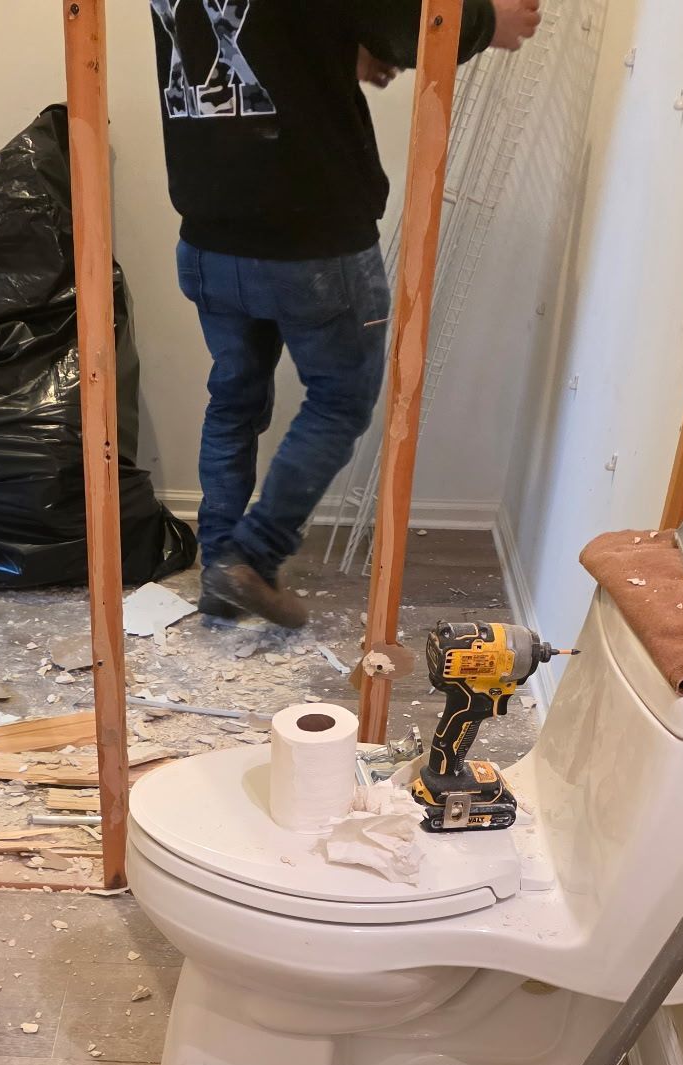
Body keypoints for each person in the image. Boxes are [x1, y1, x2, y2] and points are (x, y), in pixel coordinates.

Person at [150, 0, 542, 629]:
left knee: (233, 400)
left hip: (209, 237)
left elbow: (256, 36)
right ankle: (252, 557)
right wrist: (485, 18)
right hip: (312, 240)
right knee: (339, 400)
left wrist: (337, 47)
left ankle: (222, 565)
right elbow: (412, 21)